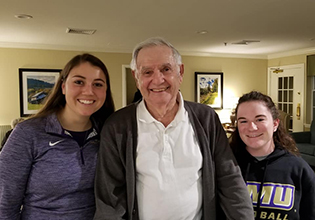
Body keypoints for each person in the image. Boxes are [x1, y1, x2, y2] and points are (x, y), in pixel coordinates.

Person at [94, 37, 254, 220]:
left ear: (180, 72)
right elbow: (110, 200)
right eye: (147, 72)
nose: (158, 79)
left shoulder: (206, 119)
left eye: (166, 69)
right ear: (136, 77)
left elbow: (230, 180)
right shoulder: (117, 126)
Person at [0, 53, 115, 219]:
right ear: (63, 87)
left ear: (105, 91)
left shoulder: (109, 133)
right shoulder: (28, 133)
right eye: (79, 82)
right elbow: (4, 203)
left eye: (98, 84)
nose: (89, 91)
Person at [230, 91, 315, 220]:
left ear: (275, 124)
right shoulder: (227, 166)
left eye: (259, 119)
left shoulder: (298, 168)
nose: (251, 127)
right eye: (243, 121)